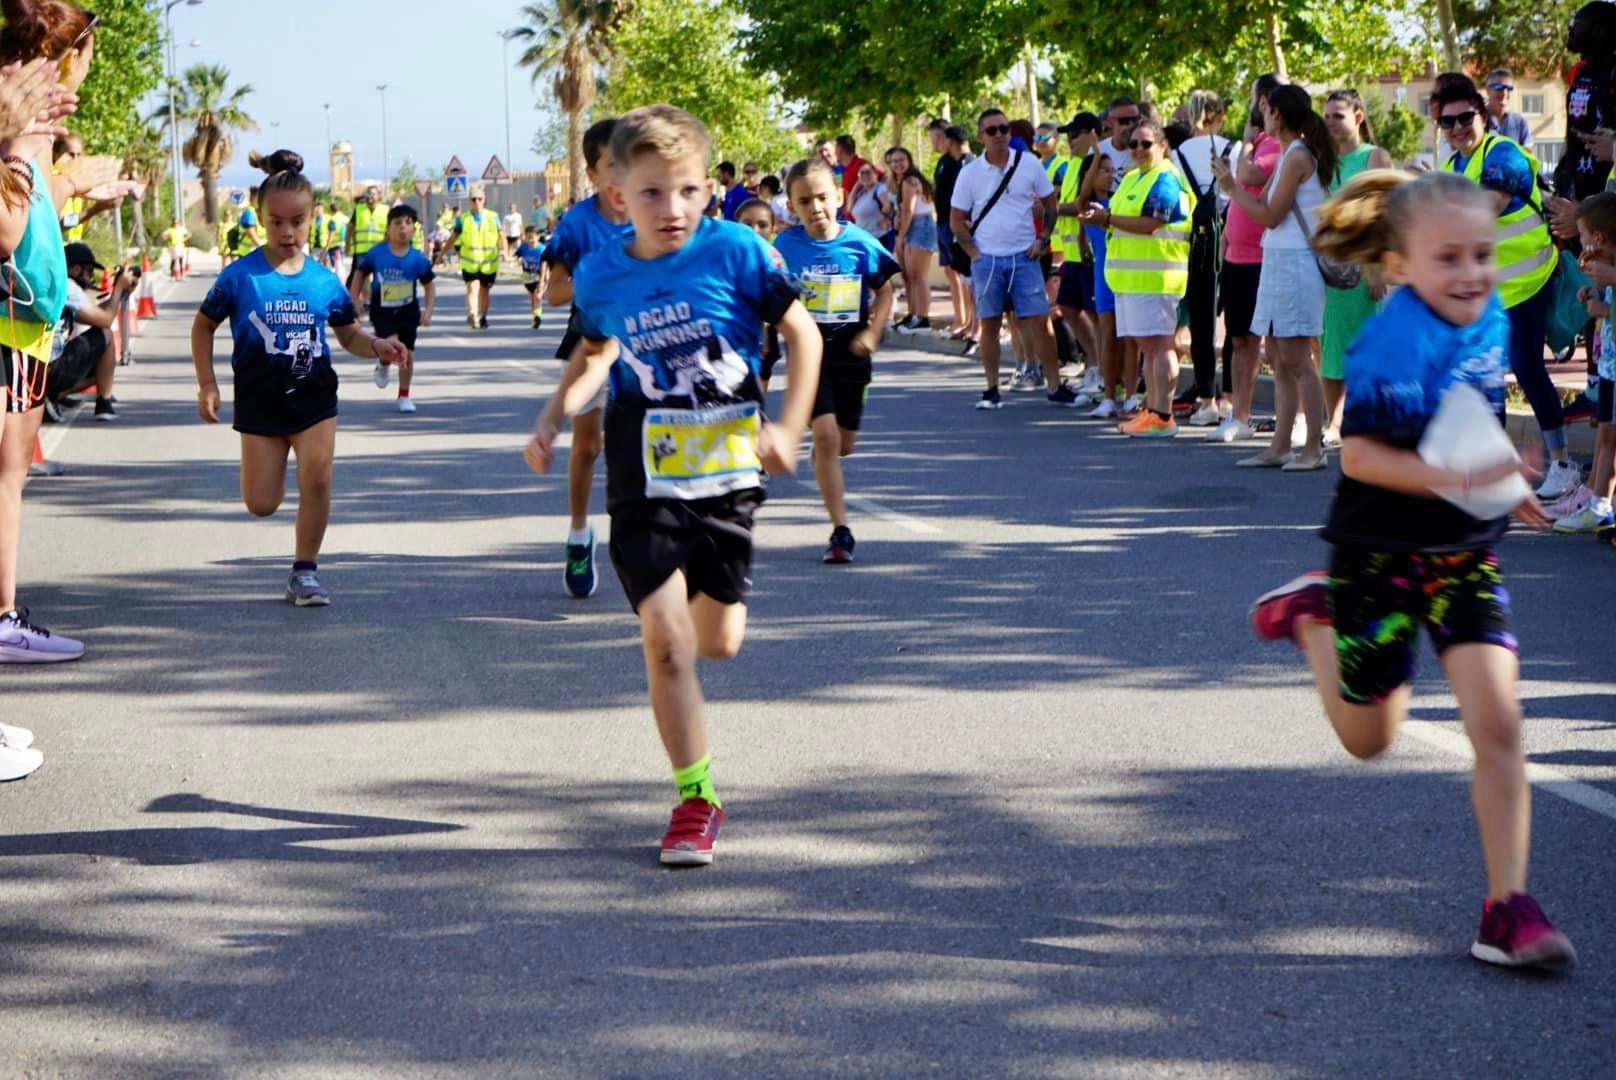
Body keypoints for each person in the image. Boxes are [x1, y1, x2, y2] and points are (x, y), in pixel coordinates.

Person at [1250, 169, 1576, 972]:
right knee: (1368, 739)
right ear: (1398, 267)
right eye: (1448, 258)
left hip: (1464, 556)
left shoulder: (1487, 315)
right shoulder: (1391, 343)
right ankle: (1315, 617)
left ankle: (1507, 908)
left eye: (1482, 255)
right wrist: (1460, 478)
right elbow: (1361, 457)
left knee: (1499, 724)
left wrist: (1502, 481)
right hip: (1379, 555)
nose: (1471, 274)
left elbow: (1465, 415)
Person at [524, 104, 823, 867]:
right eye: (653, 192)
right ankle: (696, 798)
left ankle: (700, 627)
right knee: (665, 640)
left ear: (708, 190)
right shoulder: (602, 271)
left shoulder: (738, 251)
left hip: (726, 467)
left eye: (688, 190)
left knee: (717, 642)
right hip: (643, 465)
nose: (673, 208)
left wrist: (788, 427)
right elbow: (595, 351)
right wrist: (556, 412)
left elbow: (803, 333)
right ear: (617, 193)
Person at [191, 150, 409, 606]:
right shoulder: (240, 277)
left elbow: (348, 335)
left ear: (313, 218)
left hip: (313, 397)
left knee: (319, 477)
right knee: (261, 503)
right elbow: (204, 325)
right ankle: (276, 478)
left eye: (297, 221)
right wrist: (207, 383)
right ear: (261, 219)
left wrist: (377, 345)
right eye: (276, 223)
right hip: (260, 400)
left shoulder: (324, 281)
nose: (287, 232)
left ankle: (304, 571)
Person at [0, 3, 94, 675]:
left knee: (12, 476)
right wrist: (19, 148)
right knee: (5, 478)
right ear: (64, 57)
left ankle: (6, 617)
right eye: (85, 57)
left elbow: (33, 225)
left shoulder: (29, 121)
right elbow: (8, 231)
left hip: (27, 325)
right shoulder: (19, 120)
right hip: (10, 323)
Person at [1436, 74, 1577, 500]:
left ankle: (1562, 464)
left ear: (1483, 115)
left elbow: (1488, 205)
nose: (1458, 128)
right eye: (1448, 122)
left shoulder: (1504, 153)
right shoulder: (1452, 167)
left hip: (1528, 283)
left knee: (1527, 369)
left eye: (1465, 118)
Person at [775, 157, 900, 563]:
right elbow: (769, 295)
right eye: (804, 201)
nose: (815, 207)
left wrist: (873, 332)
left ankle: (824, 453)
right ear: (791, 207)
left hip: (852, 354)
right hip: (809, 357)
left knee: (843, 445)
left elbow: (886, 289)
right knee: (827, 437)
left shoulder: (860, 243)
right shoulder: (785, 247)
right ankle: (840, 531)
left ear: (839, 197)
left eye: (821, 198)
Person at [1211, 83, 1334, 471]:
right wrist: (1234, 186)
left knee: (1296, 357)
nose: (1260, 115)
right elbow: (1262, 204)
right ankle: (1280, 446)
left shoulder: (1297, 155)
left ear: (1276, 113)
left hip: (1295, 264)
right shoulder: (1288, 154)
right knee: (1279, 357)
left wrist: (1231, 188)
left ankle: (1313, 448)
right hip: (1281, 261)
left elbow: (1270, 215)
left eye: (1265, 110)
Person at [541, 117, 629, 599]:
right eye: (612, 164)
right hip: (590, 339)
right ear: (592, 173)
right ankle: (579, 534)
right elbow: (554, 292)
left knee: (638, 444)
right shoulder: (578, 223)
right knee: (588, 446)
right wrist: (601, 279)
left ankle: (639, 533)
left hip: (646, 340)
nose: (623, 173)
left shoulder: (652, 209)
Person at [951, 107, 1077, 409]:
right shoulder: (970, 173)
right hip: (988, 260)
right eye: (991, 130)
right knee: (990, 325)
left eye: (1004, 129)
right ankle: (991, 389)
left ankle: (1054, 386)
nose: (999, 135)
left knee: (1041, 322)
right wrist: (975, 254)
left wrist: (1043, 239)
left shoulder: (1029, 164)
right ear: (981, 136)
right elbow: (956, 219)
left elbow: (1050, 204)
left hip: (1025, 257)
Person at [1083, 119, 1192, 438]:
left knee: (1160, 346)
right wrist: (1103, 217)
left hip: (1158, 278)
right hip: (1133, 280)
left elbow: (1151, 223)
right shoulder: (1133, 177)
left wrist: (1108, 218)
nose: (1139, 149)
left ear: (1163, 146)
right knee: (1149, 347)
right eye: (1133, 144)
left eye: (1146, 143)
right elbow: (1121, 219)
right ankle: (1152, 411)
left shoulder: (1166, 178)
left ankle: (1162, 415)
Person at [1207, 74, 1283, 444]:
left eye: (1254, 98)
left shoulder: (1276, 144)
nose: (1252, 105)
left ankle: (1294, 418)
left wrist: (1248, 143)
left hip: (1264, 258)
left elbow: (1249, 174)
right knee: (1240, 341)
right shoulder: (1259, 141)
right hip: (1238, 258)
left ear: (1264, 101)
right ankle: (1239, 416)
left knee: (1279, 344)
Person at [1320, 90, 1393, 443]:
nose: (1331, 123)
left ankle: (1359, 419)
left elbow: (1385, 215)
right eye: (1327, 117)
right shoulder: (1323, 159)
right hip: (1327, 267)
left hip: (1363, 267)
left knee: (1363, 345)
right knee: (1329, 346)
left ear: (1359, 117)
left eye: (1338, 116)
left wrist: (1377, 266)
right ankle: (1334, 421)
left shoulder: (1373, 156)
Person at [1173, 91, 1234, 427]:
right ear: (1220, 114)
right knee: (1234, 324)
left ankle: (1207, 398)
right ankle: (1231, 400)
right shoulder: (1234, 149)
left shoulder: (1177, 154)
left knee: (1201, 324)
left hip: (1194, 244)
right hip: (1230, 240)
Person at [1562, 192, 1616, 535]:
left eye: (1582, 235)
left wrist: (1605, 310)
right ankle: (1598, 504)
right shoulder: (1607, 268)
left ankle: (1599, 506)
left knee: (1610, 436)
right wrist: (1596, 294)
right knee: (1605, 433)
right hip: (1609, 365)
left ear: (1597, 236)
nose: (1581, 243)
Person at [350, 203, 435, 414]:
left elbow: (429, 285)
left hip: (408, 311)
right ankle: (384, 363)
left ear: (414, 229)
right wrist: (354, 300)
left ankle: (404, 395)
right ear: (388, 229)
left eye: (408, 223)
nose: (403, 228)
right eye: (397, 223)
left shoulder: (418, 258)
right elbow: (360, 274)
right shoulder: (377, 254)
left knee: (408, 354)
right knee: (393, 346)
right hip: (383, 310)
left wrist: (428, 310)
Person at [47, 243, 135, 422]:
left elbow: (94, 312)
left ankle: (52, 395)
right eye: (88, 271)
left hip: (38, 368)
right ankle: (104, 403)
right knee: (105, 334)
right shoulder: (68, 285)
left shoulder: (55, 283)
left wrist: (119, 293)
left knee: (101, 368)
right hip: (51, 368)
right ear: (75, 269)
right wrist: (118, 288)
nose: (90, 277)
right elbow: (104, 320)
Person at [1053, 112, 1102, 388]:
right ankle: (1093, 364)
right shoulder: (1073, 164)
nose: (1070, 140)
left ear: (1093, 134)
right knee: (1068, 307)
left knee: (1095, 315)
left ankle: (1103, 372)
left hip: (1089, 253)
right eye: (1068, 135)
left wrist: (1052, 208)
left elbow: (1081, 206)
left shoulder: (1095, 164)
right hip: (1073, 253)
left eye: (1075, 134)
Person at [930, 120, 976, 346]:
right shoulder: (946, 161)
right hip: (944, 222)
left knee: (965, 274)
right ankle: (964, 320)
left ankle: (971, 322)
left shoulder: (967, 163)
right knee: (953, 270)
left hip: (959, 224)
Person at [884, 146, 935, 333]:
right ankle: (913, 315)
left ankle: (922, 318)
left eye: (901, 160)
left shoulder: (910, 181)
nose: (897, 164)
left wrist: (901, 237)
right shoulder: (901, 181)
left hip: (920, 226)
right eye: (893, 161)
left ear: (909, 160)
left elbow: (908, 211)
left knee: (918, 276)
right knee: (910, 276)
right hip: (913, 226)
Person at [446, 185, 501, 330]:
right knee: (472, 287)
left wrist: (506, 251)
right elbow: (452, 238)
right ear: (469, 201)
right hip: (470, 263)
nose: (477, 202)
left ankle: (483, 316)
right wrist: (441, 254)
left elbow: (501, 235)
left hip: (488, 264)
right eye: (473, 199)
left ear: (484, 200)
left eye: (479, 199)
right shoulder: (462, 219)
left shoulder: (493, 216)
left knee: (484, 290)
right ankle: (473, 314)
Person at [344, 186, 388, 279]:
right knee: (362, 278)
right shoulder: (359, 209)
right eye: (367, 194)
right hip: (362, 251)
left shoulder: (386, 210)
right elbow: (350, 227)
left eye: (372, 194)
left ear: (378, 195)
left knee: (379, 278)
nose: (369, 196)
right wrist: (347, 245)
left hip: (380, 251)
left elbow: (390, 230)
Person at [1484, 69, 1533, 150]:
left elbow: (1528, 152)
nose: (1504, 92)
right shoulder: (1477, 120)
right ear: (1488, 90)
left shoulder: (1519, 122)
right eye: (1499, 87)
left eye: (1509, 88)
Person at [845, 161, 893, 244]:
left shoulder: (879, 188)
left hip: (878, 238)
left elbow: (887, 205)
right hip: (864, 239)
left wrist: (883, 216)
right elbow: (849, 209)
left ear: (875, 174)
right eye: (862, 173)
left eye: (868, 172)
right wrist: (856, 186)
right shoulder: (861, 193)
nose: (865, 175)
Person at [514, 224, 548, 329]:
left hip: (540, 276)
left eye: (532, 238)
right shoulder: (523, 247)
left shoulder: (542, 249)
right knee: (533, 299)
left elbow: (545, 265)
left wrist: (543, 280)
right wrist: (516, 260)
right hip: (528, 277)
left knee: (537, 296)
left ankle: (538, 316)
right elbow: (516, 255)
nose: (530, 240)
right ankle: (534, 318)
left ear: (538, 237)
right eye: (528, 238)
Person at [834, 135, 874, 205]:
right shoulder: (840, 169)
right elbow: (839, 189)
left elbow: (882, 177)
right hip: (846, 209)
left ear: (840, 149)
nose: (834, 152)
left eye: (835, 148)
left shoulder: (861, 165)